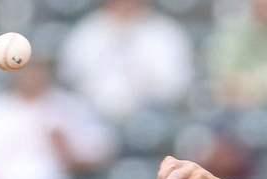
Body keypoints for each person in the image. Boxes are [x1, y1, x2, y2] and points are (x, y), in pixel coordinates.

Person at [58, 0, 194, 122]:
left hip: (151, 118)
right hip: (93, 118)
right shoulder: (86, 32)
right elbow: (70, 78)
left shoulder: (166, 32)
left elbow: (177, 84)